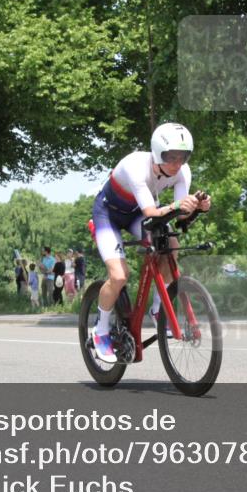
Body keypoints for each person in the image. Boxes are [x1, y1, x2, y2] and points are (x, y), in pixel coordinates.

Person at [89, 122, 211, 363]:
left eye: (183, 157)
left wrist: (197, 207)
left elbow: (180, 215)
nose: (177, 163)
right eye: (171, 157)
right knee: (119, 276)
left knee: (171, 246)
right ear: (157, 153)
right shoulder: (135, 165)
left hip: (138, 215)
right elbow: (151, 210)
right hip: (109, 215)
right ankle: (101, 329)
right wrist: (178, 206)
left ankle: (158, 309)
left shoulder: (182, 172)